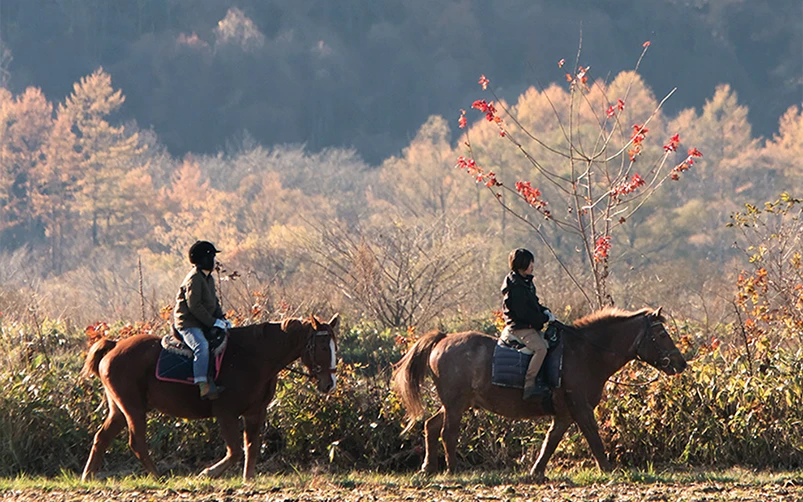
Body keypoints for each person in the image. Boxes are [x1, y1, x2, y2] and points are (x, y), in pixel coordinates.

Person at [174, 240, 231, 400]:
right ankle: (202, 385)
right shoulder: (194, 279)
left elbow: (214, 302)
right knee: (201, 346)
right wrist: (213, 322)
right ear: (203, 259)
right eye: (212, 257)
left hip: (203, 322)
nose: (214, 261)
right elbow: (195, 306)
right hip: (188, 323)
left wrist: (222, 319)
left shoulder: (208, 278)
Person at [501, 248, 556, 400]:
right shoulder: (515, 287)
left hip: (528, 325)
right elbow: (523, 313)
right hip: (519, 327)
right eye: (530, 262)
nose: (533, 265)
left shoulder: (525, 282)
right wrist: (543, 319)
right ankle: (530, 384)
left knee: (550, 344)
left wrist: (545, 311)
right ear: (522, 264)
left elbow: (534, 305)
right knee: (541, 349)